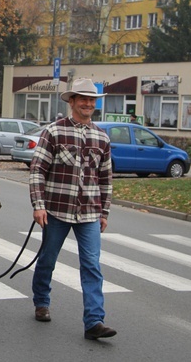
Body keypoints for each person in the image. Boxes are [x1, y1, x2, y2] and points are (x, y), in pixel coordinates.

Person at [29, 78, 116, 340]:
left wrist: (105, 212)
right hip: (56, 210)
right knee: (47, 260)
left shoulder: (102, 137)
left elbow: (106, 178)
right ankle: (41, 301)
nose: (88, 104)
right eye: (83, 99)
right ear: (72, 101)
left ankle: (94, 321)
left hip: (89, 212)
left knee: (91, 265)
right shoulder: (53, 132)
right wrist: (39, 205)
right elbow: (37, 171)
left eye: (91, 100)